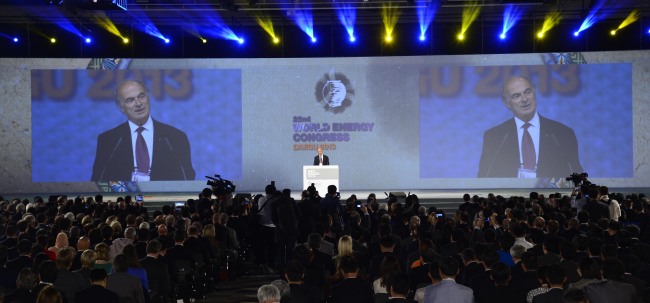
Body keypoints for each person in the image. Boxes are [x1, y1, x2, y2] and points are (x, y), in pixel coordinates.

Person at [477, 76, 583, 178]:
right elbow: (483, 176)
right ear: (507, 103)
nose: (524, 99)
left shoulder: (562, 133)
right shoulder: (495, 136)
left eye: (528, 92)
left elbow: (576, 173)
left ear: (534, 93)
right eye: (516, 96)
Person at [91, 79, 195, 181]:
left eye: (141, 96)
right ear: (121, 107)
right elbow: (98, 180)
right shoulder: (108, 140)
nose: (138, 103)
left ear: (148, 98)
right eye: (130, 100)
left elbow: (188, 178)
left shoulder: (175, 137)